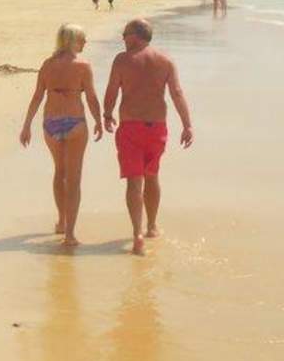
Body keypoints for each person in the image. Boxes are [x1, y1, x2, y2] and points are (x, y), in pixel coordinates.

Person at [103, 18, 194, 255]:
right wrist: (187, 125)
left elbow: (112, 90)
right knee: (152, 176)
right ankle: (152, 226)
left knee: (134, 181)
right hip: (157, 128)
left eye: (125, 34)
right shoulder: (165, 61)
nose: (123, 38)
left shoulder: (122, 60)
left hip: (131, 127)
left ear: (136, 36)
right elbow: (177, 93)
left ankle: (137, 234)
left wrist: (107, 114)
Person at [19, 23, 103, 247]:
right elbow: (91, 97)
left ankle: (61, 221)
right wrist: (98, 120)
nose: (85, 42)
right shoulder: (83, 65)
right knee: (73, 178)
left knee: (60, 171)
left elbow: (37, 96)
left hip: (51, 124)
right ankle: (70, 234)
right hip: (75, 123)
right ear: (72, 40)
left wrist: (27, 125)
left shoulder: (47, 64)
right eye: (82, 39)